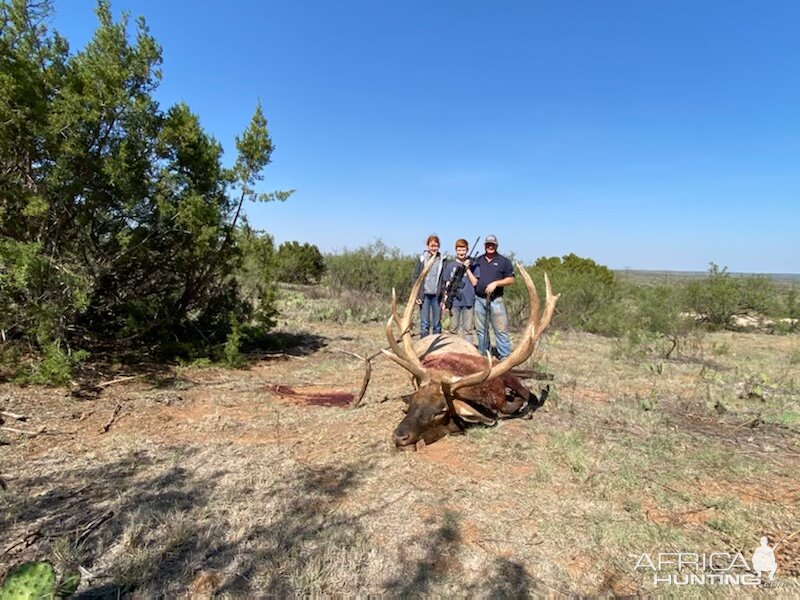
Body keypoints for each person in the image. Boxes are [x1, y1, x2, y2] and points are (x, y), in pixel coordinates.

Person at [466, 234, 515, 359]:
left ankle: (504, 357)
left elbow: (510, 279)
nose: (490, 247)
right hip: (479, 299)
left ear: (496, 246)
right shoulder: (478, 260)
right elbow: (471, 276)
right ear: (484, 246)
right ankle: (484, 355)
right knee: (481, 331)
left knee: (501, 330)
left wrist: (496, 283)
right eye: (488, 244)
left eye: (492, 245)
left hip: (496, 300)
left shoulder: (504, 261)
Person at [412, 234, 448, 338]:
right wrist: (417, 295)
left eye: (436, 246)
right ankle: (424, 348)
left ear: (439, 246)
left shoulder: (442, 259)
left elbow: (445, 279)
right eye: (432, 246)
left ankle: (437, 348)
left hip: (437, 295)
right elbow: (415, 277)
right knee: (425, 323)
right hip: (425, 295)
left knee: (437, 324)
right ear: (428, 246)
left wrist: (444, 296)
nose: (434, 248)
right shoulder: (422, 259)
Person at [442, 238, 475, 344]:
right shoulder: (450, 266)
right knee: (453, 328)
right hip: (454, 302)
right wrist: (446, 301)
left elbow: (475, 282)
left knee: (468, 330)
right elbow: (447, 285)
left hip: (468, 301)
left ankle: (469, 351)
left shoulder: (473, 265)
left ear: (467, 250)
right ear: (456, 251)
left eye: (463, 250)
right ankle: (453, 348)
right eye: (459, 250)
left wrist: (468, 268)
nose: (461, 252)